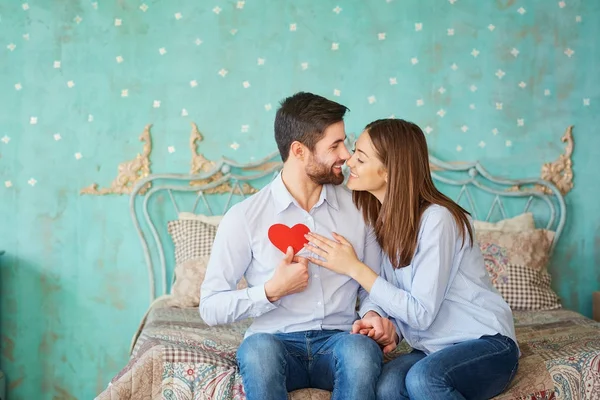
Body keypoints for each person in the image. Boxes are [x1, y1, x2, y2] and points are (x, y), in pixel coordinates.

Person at [304, 118, 520, 400]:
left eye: (361, 157)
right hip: (434, 348)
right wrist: (381, 324)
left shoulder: (438, 220)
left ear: (389, 172)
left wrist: (354, 267)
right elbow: (391, 297)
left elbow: (420, 313)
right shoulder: (385, 222)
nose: (349, 163)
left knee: (424, 379)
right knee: (386, 387)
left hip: (487, 343)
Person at [199, 92, 386, 400]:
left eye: (345, 143)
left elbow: (372, 287)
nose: (347, 155)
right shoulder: (245, 217)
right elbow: (209, 307)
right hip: (275, 342)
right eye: (335, 145)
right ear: (299, 151)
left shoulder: (360, 209)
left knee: (362, 351)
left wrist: (372, 315)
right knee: (257, 350)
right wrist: (271, 291)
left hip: (339, 341)